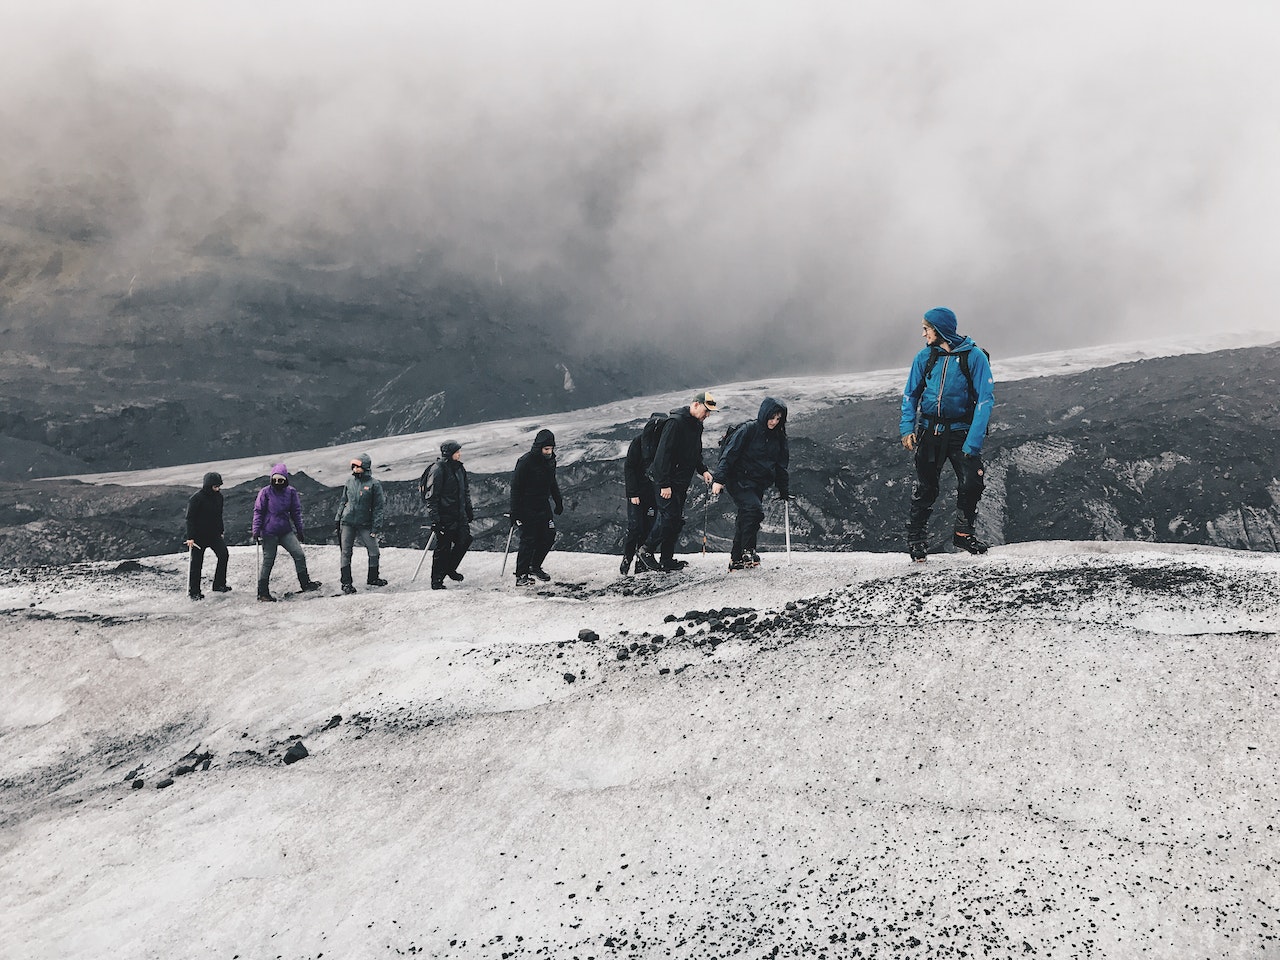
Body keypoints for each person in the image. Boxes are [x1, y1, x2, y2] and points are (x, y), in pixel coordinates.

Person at [899, 306, 995, 562]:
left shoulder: (974, 357)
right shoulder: (925, 357)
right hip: (930, 431)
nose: (923, 334)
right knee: (926, 488)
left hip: (960, 432)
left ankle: (963, 533)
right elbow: (911, 394)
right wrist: (907, 428)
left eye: (926, 328)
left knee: (973, 482)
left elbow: (985, 401)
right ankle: (916, 539)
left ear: (940, 329)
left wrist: (973, 442)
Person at [635, 391, 717, 573]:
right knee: (668, 517)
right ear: (695, 405)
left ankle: (666, 559)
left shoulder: (696, 425)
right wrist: (664, 484)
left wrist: (702, 470)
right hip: (667, 481)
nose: (708, 415)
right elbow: (663, 455)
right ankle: (646, 550)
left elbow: (694, 452)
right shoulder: (675, 423)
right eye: (706, 410)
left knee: (675, 520)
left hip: (680, 482)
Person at [713, 397, 790, 571]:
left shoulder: (779, 437)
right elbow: (729, 454)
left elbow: (781, 465)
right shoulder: (749, 430)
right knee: (753, 510)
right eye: (772, 417)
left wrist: (783, 490)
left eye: (778, 419)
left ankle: (736, 559)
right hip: (738, 479)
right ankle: (748, 550)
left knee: (746, 515)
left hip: (758, 483)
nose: (774, 422)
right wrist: (719, 479)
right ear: (764, 414)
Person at [252, 463, 321, 601]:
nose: (277, 483)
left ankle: (305, 583)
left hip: (285, 530)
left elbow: (296, 512)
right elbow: (258, 511)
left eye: (280, 480)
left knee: (299, 554)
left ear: (285, 480)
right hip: (269, 532)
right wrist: (256, 531)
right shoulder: (265, 492)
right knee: (268, 561)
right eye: (275, 480)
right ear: (271, 479)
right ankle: (263, 592)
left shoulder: (291, 492)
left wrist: (299, 530)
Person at [510, 428, 564, 586]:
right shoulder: (525, 462)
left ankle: (534, 566)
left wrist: (558, 501)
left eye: (551, 449)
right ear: (538, 447)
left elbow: (552, 482)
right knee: (528, 540)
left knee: (549, 535)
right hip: (527, 506)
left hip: (543, 505)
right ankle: (521, 575)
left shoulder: (550, 461)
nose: (549, 452)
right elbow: (516, 487)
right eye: (546, 449)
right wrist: (515, 512)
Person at [422, 439, 474, 590]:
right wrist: (435, 520)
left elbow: (465, 491)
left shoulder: (459, 468)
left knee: (465, 540)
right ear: (450, 454)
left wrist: (468, 509)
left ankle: (450, 569)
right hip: (446, 515)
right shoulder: (438, 470)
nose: (460, 454)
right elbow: (432, 497)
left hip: (459, 514)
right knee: (443, 547)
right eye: (457, 452)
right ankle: (437, 580)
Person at [335, 453, 387, 594]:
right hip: (347, 522)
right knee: (346, 552)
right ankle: (346, 583)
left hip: (365, 523)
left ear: (364, 466)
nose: (354, 469)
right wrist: (338, 517)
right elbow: (343, 500)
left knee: (374, 551)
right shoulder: (349, 481)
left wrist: (376, 526)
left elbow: (378, 507)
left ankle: (373, 578)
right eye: (353, 466)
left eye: (357, 466)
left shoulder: (374, 484)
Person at [185, 471, 230, 599]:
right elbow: (190, 518)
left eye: (218, 486)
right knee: (197, 564)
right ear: (208, 485)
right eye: (215, 486)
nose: (218, 488)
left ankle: (219, 584)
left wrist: (221, 531)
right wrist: (190, 537)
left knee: (224, 555)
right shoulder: (196, 498)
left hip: (214, 534)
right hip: (198, 537)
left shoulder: (219, 497)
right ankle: (194, 592)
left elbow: (218, 515)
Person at [619, 428, 657, 575]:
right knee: (635, 527)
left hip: (653, 494)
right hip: (637, 493)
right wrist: (633, 493)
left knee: (648, 528)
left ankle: (641, 564)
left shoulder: (665, 442)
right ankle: (627, 559)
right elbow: (629, 467)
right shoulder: (638, 442)